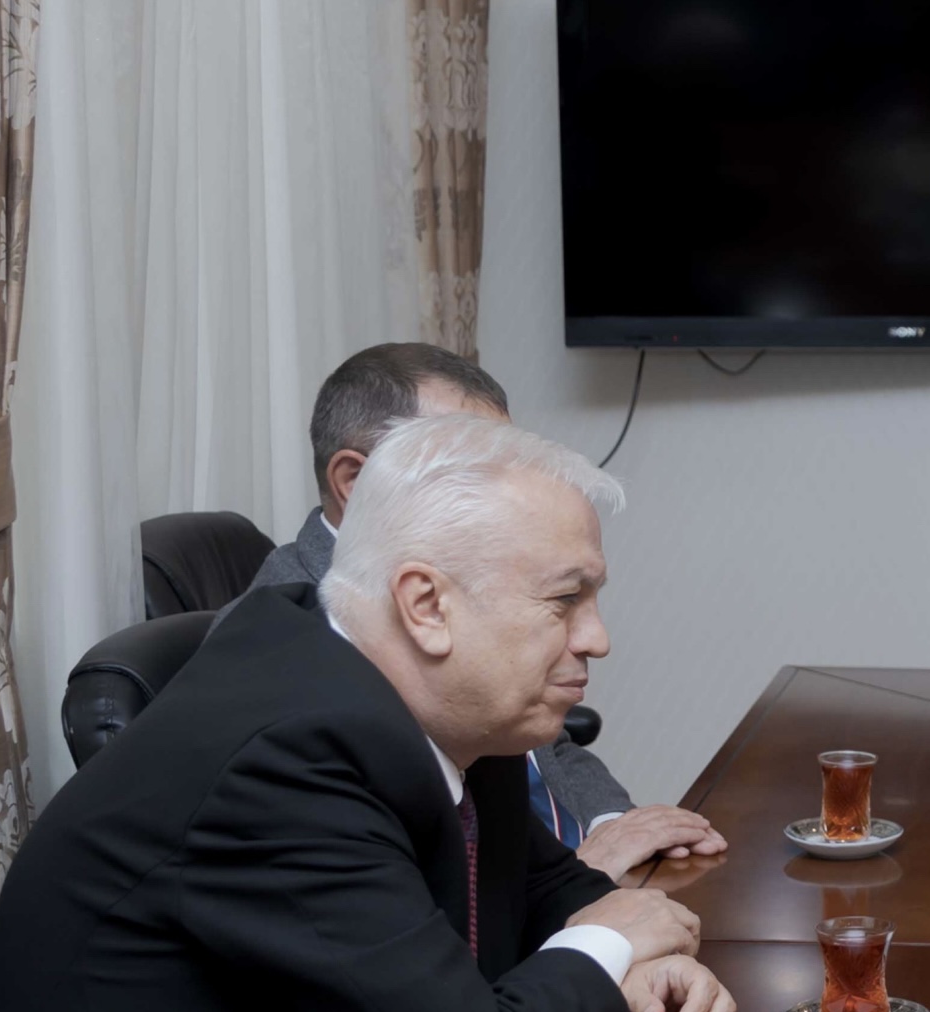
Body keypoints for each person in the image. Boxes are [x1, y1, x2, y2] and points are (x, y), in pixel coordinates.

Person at [0, 409, 739, 1012]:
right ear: (426, 605)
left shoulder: (438, 706)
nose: (597, 636)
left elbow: (550, 892)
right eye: (565, 601)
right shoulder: (290, 758)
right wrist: (611, 948)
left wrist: (635, 961)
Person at [242, 340, 720, 882]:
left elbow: (548, 751)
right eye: (474, 467)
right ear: (354, 482)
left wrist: (614, 825)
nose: (505, 490)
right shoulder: (301, 646)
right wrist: (581, 873)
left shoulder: (475, 591)